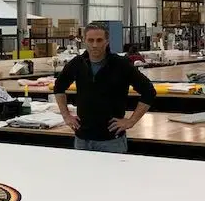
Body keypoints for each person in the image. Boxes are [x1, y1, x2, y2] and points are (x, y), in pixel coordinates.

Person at [53, 23, 156, 153]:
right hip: (82, 139)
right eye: (91, 40)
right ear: (85, 41)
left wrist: (131, 121)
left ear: (107, 41)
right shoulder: (77, 63)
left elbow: (149, 91)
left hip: (111, 141)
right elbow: (58, 87)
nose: (95, 44)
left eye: (99, 40)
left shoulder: (121, 64)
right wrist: (66, 115)